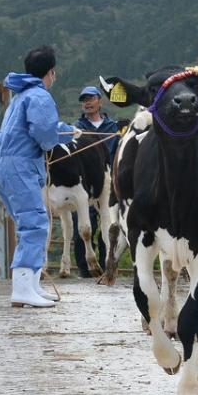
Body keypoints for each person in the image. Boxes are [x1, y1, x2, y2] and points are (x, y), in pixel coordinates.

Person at [0, 45, 73, 308]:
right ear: (51, 72)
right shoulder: (39, 96)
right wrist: (63, 135)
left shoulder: (20, 96)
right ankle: (22, 289)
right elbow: (45, 135)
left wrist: (65, 130)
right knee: (35, 223)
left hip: (6, 164)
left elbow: (38, 128)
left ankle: (32, 285)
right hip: (21, 165)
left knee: (29, 223)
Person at [70, 85, 122, 278]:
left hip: (110, 182)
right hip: (85, 183)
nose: (87, 103)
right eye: (84, 100)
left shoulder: (114, 127)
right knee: (84, 224)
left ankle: (104, 265)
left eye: (91, 98)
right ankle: (85, 269)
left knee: (109, 225)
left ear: (100, 101)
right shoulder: (76, 128)